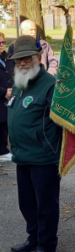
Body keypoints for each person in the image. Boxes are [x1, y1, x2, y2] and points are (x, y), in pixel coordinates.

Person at [7, 35, 62, 252]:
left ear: (39, 57)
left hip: (43, 158)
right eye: (18, 59)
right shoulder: (19, 83)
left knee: (46, 207)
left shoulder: (50, 85)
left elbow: (62, 121)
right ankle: (34, 239)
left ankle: (46, 244)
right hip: (22, 157)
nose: (22, 63)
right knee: (27, 204)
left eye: (27, 58)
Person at [0, 32, 13, 162]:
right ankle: (2, 151)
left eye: (3, 42)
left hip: (10, 95)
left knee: (7, 123)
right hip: (2, 94)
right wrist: (3, 92)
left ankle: (5, 148)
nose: (1, 45)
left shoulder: (8, 58)